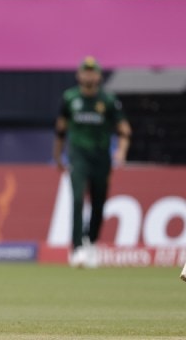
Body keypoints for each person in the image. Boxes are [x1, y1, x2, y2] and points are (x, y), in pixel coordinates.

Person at [52, 56, 132, 269]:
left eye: (92, 71)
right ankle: (77, 248)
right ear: (79, 75)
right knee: (78, 198)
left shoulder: (107, 100)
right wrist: (58, 156)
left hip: (101, 156)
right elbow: (60, 129)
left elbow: (124, 130)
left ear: (98, 76)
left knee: (99, 203)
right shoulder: (70, 98)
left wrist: (121, 152)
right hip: (78, 155)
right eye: (85, 71)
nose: (88, 75)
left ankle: (91, 242)